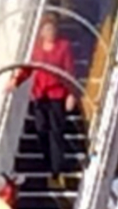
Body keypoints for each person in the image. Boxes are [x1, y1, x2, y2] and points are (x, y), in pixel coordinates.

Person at [8, 14, 77, 190]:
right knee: (41, 130)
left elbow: (69, 72)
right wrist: (15, 82)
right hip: (39, 95)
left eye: (52, 29)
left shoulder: (63, 47)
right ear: (41, 32)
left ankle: (56, 171)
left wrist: (71, 94)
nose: (50, 32)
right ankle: (48, 164)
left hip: (56, 94)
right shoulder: (36, 51)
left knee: (56, 132)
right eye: (46, 29)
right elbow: (28, 70)